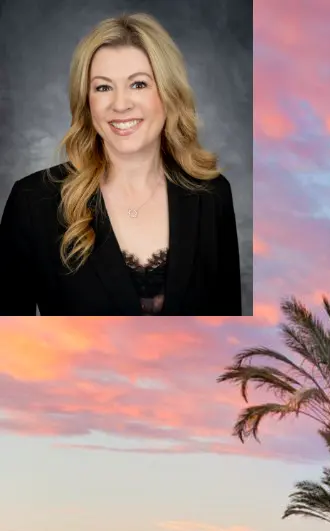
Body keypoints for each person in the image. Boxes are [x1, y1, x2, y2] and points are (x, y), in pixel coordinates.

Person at [0, 13, 241, 316]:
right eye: (103, 87)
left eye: (138, 84)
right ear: (86, 101)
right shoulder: (32, 201)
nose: (120, 104)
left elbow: (234, 347)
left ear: (168, 94)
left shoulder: (214, 195)